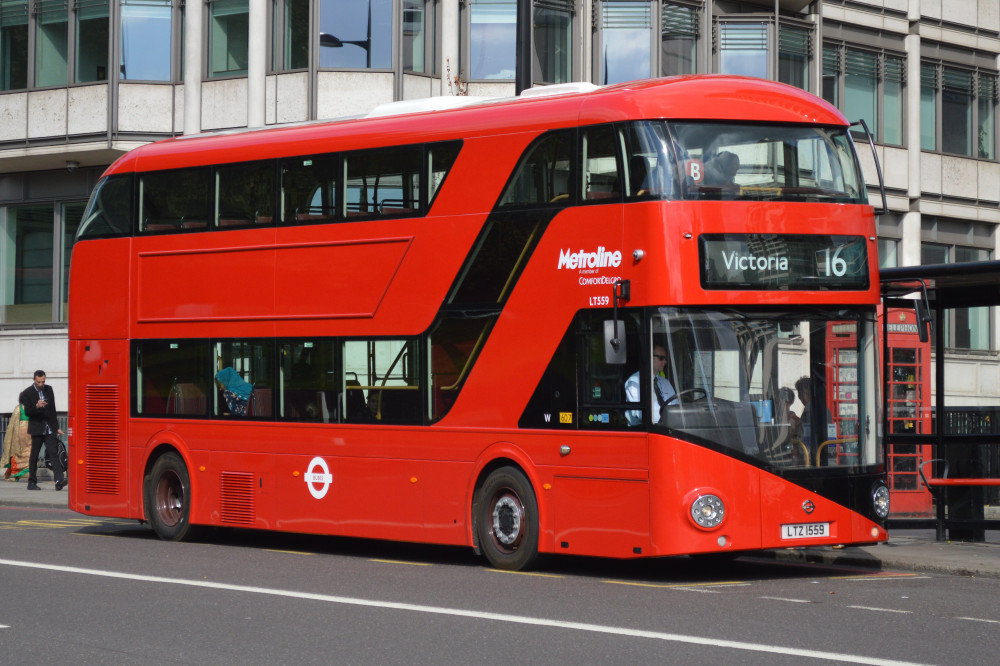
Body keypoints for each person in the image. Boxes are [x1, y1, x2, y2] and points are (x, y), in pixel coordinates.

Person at [18, 370, 66, 491]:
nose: (41, 384)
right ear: (34, 379)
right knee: (34, 455)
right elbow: (27, 412)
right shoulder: (26, 393)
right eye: (39, 382)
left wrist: (56, 427)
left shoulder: (48, 389)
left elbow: (52, 410)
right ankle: (32, 482)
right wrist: (37, 406)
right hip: (37, 427)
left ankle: (59, 480)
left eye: (43, 382)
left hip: (49, 427)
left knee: (53, 452)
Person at [625, 344, 678, 426]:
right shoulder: (634, 382)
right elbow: (640, 414)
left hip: (666, 430)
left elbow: (676, 408)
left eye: (665, 358)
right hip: (643, 430)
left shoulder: (665, 383)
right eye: (661, 358)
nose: (665, 362)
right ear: (650, 357)